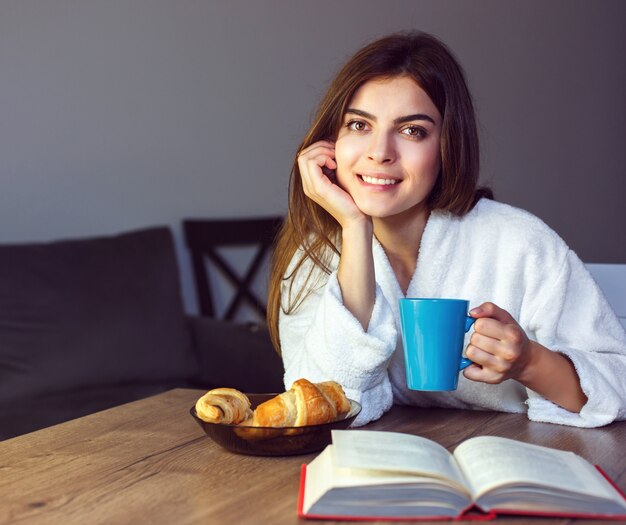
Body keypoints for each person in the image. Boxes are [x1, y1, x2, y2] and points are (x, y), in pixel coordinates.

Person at [266, 31, 626, 427]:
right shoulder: (315, 258)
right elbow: (321, 400)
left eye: (412, 130)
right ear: (332, 140)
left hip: (519, 461)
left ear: (447, 145)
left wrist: (529, 361)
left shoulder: (520, 243)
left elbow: (618, 382)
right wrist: (354, 228)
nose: (380, 152)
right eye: (358, 125)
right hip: (384, 464)